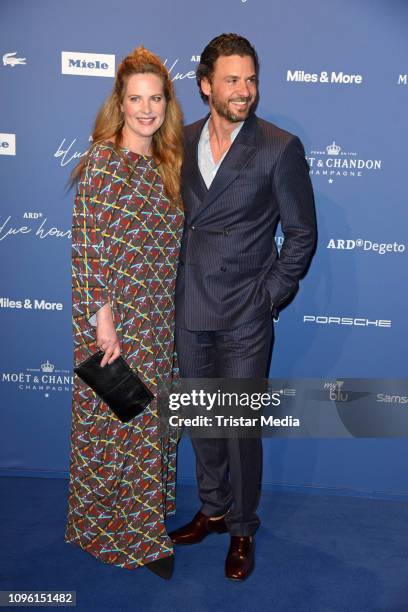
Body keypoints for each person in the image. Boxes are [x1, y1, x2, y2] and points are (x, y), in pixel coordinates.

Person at [170, 33, 316, 581]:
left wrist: (266, 297)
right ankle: (211, 508)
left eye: (251, 79)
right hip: (189, 308)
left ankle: (242, 527)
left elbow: (301, 235)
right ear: (206, 84)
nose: (245, 91)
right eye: (232, 80)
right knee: (201, 420)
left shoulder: (279, 147)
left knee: (238, 428)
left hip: (244, 315)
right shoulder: (179, 141)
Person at [65, 46, 184, 580]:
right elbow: (89, 247)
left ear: (167, 103)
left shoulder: (166, 165)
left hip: (160, 317)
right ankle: (133, 540)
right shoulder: (101, 162)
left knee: (151, 420)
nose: (146, 108)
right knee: (124, 422)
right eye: (135, 98)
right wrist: (101, 319)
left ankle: (143, 519)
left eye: (155, 98)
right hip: (117, 319)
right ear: (120, 101)